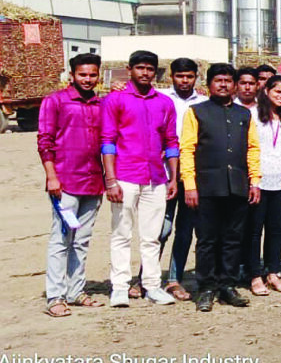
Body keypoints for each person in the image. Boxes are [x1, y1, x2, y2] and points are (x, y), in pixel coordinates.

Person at [179, 63, 260, 311]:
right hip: (206, 187)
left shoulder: (244, 115)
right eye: (218, 80)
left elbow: (253, 149)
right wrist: (190, 185)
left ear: (234, 85)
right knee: (206, 239)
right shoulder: (196, 112)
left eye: (228, 80)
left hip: (237, 186)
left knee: (232, 239)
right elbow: (187, 149)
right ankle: (206, 288)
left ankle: (228, 285)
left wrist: (254, 181)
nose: (223, 84)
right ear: (209, 84)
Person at [102, 50, 180, 307]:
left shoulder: (164, 103)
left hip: (156, 178)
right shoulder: (116, 100)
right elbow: (108, 141)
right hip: (125, 176)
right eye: (140, 68)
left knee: (151, 236)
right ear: (130, 69)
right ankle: (120, 287)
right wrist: (111, 180)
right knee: (122, 233)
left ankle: (153, 286)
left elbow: (171, 141)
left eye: (150, 69)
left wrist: (173, 178)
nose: (145, 73)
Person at [39, 53, 105, 317]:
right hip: (65, 182)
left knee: (82, 240)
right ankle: (55, 296)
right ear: (72, 75)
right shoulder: (55, 101)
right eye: (82, 75)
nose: (87, 79)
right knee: (61, 239)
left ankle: (76, 291)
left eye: (92, 75)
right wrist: (52, 176)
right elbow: (45, 140)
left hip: (93, 182)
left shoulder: (102, 104)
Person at [155, 57, 206, 302]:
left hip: (192, 177)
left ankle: (174, 279)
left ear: (196, 77)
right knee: (159, 230)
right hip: (162, 175)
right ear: (171, 77)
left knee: (185, 230)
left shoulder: (204, 103)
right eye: (179, 76)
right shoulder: (159, 99)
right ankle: (148, 278)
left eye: (189, 76)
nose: (184, 81)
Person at [247, 75, 281, 295]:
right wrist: (252, 180)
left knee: (277, 230)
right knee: (254, 231)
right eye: (277, 91)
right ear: (266, 91)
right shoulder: (253, 116)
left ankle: (273, 272)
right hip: (258, 182)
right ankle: (255, 275)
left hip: (280, 182)